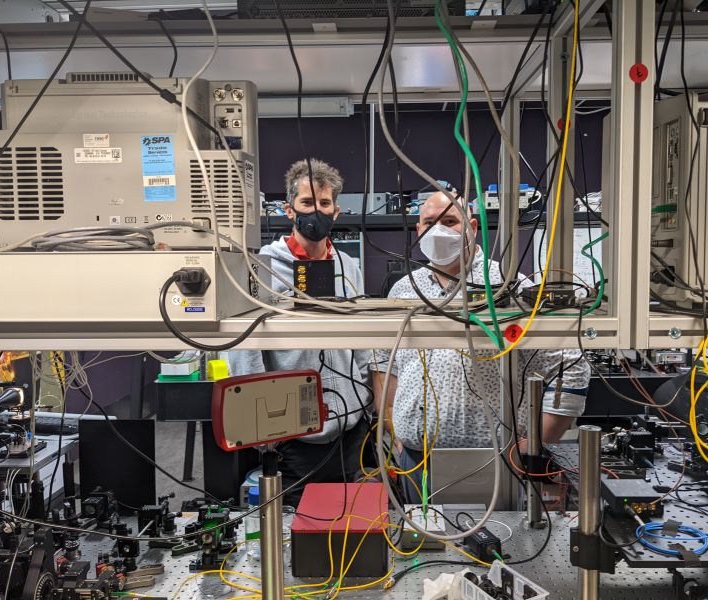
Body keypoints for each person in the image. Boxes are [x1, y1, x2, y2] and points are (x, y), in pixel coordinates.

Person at [370, 191, 590, 502]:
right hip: (414, 460)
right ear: (418, 231)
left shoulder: (507, 284)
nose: (439, 231)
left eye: (450, 222)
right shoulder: (404, 289)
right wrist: (393, 425)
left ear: (472, 227)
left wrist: (535, 443)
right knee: (425, 545)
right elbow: (383, 361)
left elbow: (570, 363)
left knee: (495, 545)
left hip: (493, 460)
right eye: (429, 223)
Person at [227, 159, 373, 506]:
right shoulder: (263, 267)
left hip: (350, 427)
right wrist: (264, 432)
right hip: (293, 433)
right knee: (296, 528)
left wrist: (365, 402)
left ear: (336, 211)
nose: (316, 211)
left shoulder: (348, 266)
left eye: (324, 204)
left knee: (346, 521)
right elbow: (245, 351)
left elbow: (363, 338)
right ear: (289, 210)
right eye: (308, 203)